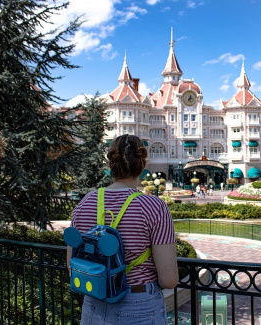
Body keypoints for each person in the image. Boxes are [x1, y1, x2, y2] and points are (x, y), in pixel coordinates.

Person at [67, 134, 178, 325]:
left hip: (93, 303)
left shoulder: (85, 203)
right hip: (139, 306)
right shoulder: (154, 207)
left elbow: (72, 265)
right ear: (143, 166)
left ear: (110, 165)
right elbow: (169, 280)